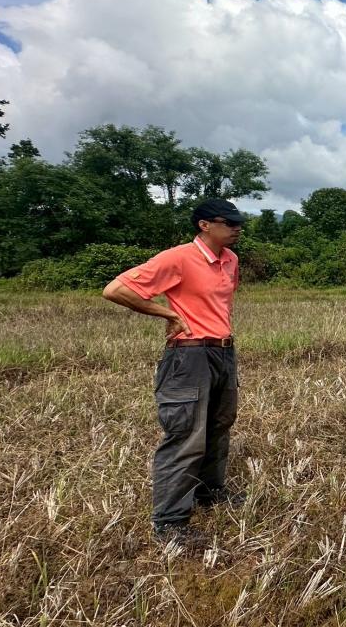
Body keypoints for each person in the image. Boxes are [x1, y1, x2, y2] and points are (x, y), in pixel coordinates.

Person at [102, 198, 246, 546]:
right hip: (189, 357)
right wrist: (168, 315)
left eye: (238, 223)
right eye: (227, 223)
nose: (236, 228)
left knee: (219, 425)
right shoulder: (178, 257)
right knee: (185, 435)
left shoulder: (230, 260)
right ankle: (170, 522)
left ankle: (209, 493)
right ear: (204, 225)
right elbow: (115, 290)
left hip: (223, 352)